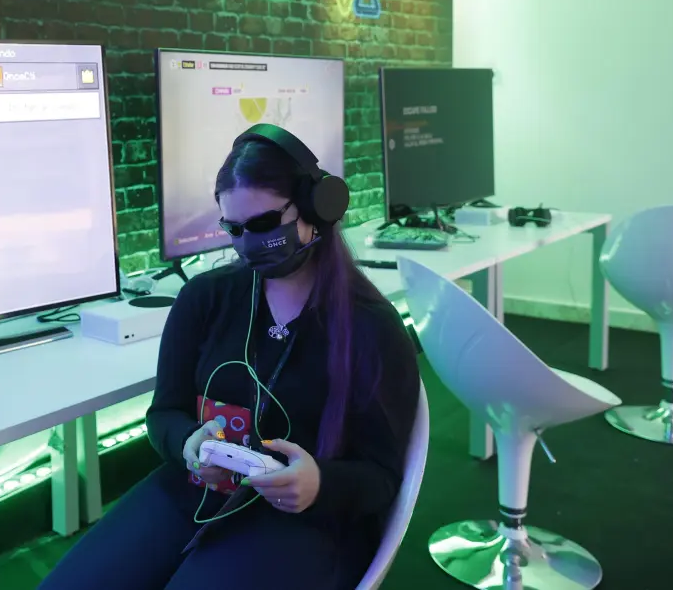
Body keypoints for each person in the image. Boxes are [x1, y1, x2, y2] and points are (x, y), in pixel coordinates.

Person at [38, 126, 420, 590]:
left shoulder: (371, 326)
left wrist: (319, 483)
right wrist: (188, 445)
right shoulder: (203, 299)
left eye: (263, 224)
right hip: (198, 489)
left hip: (305, 519)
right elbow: (164, 413)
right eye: (234, 229)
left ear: (317, 208)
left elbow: (383, 477)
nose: (247, 242)